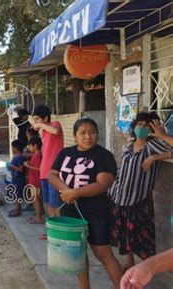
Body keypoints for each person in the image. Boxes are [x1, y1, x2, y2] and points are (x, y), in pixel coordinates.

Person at [49, 118, 123, 289]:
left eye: (92, 132)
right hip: (70, 211)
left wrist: (75, 192)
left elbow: (103, 184)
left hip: (96, 212)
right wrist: (65, 190)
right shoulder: (65, 153)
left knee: (104, 254)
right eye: (83, 133)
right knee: (78, 255)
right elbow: (52, 174)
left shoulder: (104, 156)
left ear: (97, 134)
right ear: (75, 136)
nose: (88, 136)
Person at [108, 112, 171, 270]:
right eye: (139, 124)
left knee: (143, 238)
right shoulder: (129, 146)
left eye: (145, 125)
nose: (141, 128)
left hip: (139, 199)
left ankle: (146, 268)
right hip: (121, 197)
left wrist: (155, 157)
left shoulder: (153, 145)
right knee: (126, 235)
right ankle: (129, 264)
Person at [31, 104, 64, 240]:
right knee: (48, 204)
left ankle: (60, 231)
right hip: (44, 173)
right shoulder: (44, 132)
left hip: (53, 174)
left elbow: (55, 131)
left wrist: (41, 125)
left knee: (55, 205)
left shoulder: (55, 125)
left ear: (45, 117)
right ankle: (51, 230)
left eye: (38, 119)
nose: (36, 122)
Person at [24, 136, 43, 224]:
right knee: (35, 198)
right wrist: (29, 163)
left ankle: (38, 217)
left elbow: (39, 169)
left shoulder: (38, 155)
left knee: (35, 199)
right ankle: (37, 215)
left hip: (35, 180)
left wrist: (28, 166)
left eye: (29, 146)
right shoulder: (36, 154)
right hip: (33, 180)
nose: (29, 148)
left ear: (35, 145)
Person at [8, 140, 26, 217]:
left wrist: (12, 166)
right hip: (15, 178)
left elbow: (21, 169)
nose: (11, 149)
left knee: (18, 195)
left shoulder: (20, 158)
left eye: (12, 147)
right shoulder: (16, 157)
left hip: (19, 179)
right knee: (15, 194)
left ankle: (17, 211)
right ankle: (16, 208)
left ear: (16, 148)